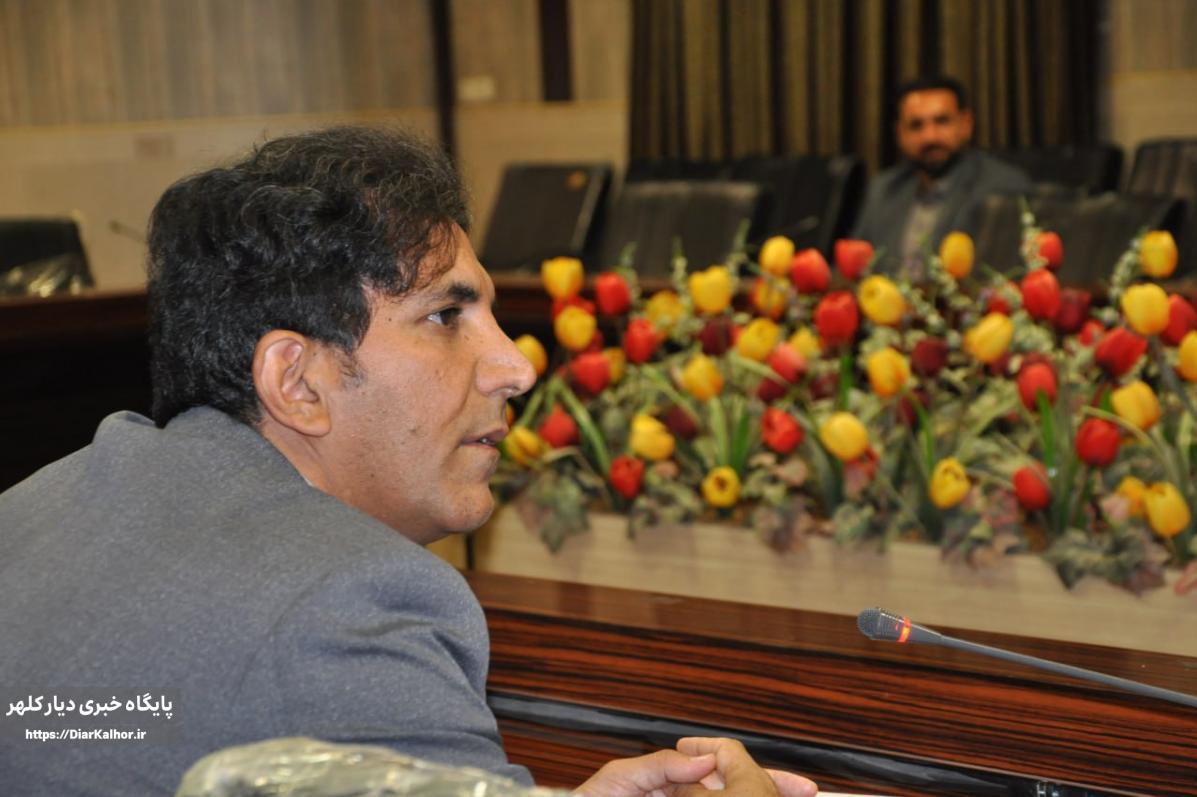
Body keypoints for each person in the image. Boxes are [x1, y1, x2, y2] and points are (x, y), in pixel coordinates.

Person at [0, 127, 817, 797]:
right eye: (446, 316)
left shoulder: (34, 508)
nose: (515, 366)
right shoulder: (349, 607)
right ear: (298, 381)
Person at [852, 75, 1032, 278]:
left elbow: (999, 277)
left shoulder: (1001, 187)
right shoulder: (883, 189)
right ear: (900, 133)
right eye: (916, 125)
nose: (930, 137)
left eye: (942, 121)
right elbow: (853, 268)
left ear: (966, 124)